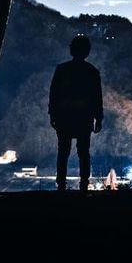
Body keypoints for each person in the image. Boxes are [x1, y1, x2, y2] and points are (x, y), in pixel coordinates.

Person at [48, 34, 103, 192]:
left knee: (63, 150)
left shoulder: (62, 69)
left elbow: (54, 94)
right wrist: (98, 118)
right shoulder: (92, 71)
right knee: (84, 152)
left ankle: (61, 186)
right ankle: (83, 185)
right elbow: (97, 98)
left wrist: (53, 114)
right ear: (87, 51)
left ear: (72, 49)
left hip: (64, 116)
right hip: (84, 117)